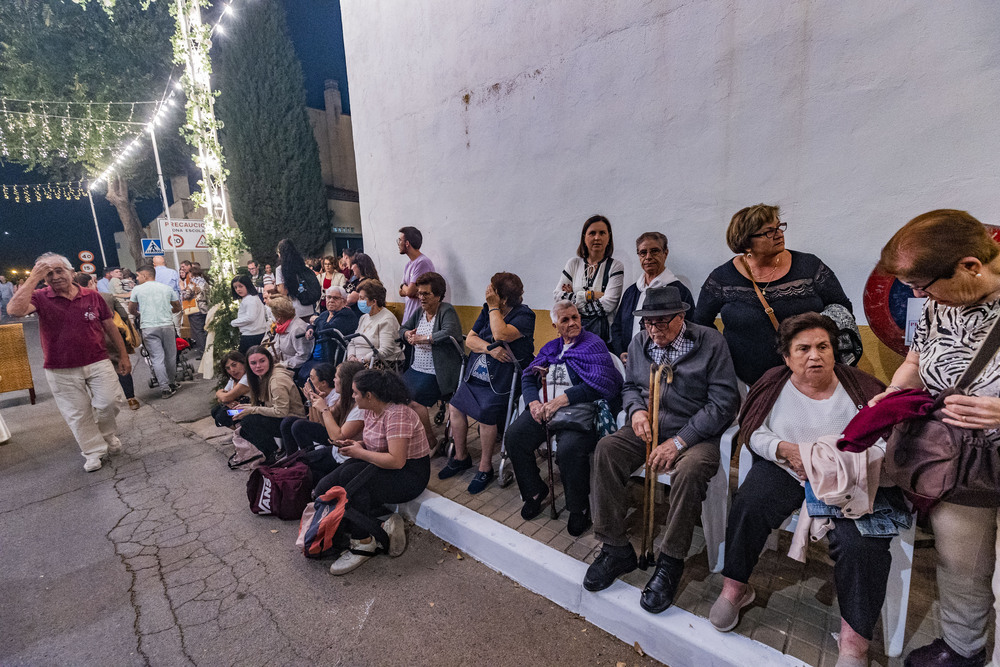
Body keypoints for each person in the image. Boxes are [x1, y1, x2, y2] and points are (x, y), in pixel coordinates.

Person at [709, 313, 894, 666]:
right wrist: (785, 450)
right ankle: (735, 589)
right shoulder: (772, 385)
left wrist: (844, 463)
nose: (815, 356)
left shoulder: (860, 387)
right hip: (788, 468)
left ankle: (854, 639)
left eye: (823, 346)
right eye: (804, 348)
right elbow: (754, 433)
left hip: (847, 478)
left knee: (861, 543)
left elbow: (886, 440)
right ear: (786, 356)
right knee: (749, 502)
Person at [875, 210, 1000, 667]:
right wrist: (892, 394)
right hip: (959, 458)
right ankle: (963, 647)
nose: (916, 294)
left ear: (970, 266)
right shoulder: (936, 304)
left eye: (923, 283)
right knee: (960, 564)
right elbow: (916, 357)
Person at [583, 285, 740, 614]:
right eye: (648, 323)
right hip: (647, 426)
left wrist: (680, 441)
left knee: (691, 470)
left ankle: (670, 561)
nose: (654, 330)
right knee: (606, 450)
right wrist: (636, 411)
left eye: (663, 322)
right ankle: (615, 547)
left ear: (681, 317)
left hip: (695, 434)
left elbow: (724, 403)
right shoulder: (640, 342)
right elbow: (629, 387)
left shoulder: (711, 342)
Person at [692, 204, 853, 386]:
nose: (779, 234)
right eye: (768, 231)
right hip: (748, 381)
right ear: (746, 241)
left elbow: (841, 307)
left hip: (809, 377)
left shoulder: (809, 266)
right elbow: (700, 322)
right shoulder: (722, 278)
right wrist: (724, 354)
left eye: (779, 227)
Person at [506, 301, 623, 535]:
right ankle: (535, 491)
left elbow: (601, 385)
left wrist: (561, 400)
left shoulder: (593, 345)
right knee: (514, 437)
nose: (572, 323)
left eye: (575, 317)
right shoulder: (550, 348)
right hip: (544, 409)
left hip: (577, 412)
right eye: (565, 320)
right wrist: (533, 403)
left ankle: (578, 508)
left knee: (569, 449)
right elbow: (529, 377)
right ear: (554, 325)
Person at [6, 253, 131, 472]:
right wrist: (33, 277)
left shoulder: (93, 296)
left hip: (98, 360)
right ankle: (93, 451)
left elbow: (110, 327)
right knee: (77, 412)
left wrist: (123, 355)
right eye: (48, 274)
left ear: (72, 273)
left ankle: (106, 435)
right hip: (59, 367)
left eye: (59, 271)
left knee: (109, 402)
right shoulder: (40, 297)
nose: (54, 277)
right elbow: (14, 310)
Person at [317, 369, 430, 575]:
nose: (352, 396)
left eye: (355, 393)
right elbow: (375, 444)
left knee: (350, 481)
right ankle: (381, 524)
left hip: (408, 476)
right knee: (323, 489)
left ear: (368, 395)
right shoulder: (370, 409)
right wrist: (357, 444)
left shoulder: (398, 415)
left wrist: (359, 453)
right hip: (383, 465)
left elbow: (396, 461)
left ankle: (364, 542)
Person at [442, 272, 536, 494]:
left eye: (492, 290)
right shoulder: (487, 310)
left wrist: (494, 308)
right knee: (455, 405)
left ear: (502, 298)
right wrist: (489, 350)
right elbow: (472, 339)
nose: (487, 292)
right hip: (479, 374)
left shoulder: (525, 315)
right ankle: (461, 456)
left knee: (486, 413)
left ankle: (485, 467)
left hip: (504, 380)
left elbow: (500, 333)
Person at [399, 272, 463, 448]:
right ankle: (410, 435)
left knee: (414, 399)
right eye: (419, 293)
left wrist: (424, 338)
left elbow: (450, 332)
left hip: (437, 372)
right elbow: (403, 328)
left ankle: (430, 440)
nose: (421, 297)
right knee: (395, 393)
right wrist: (406, 334)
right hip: (416, 368)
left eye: (426, 293)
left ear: (438, 295)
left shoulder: (446, 310)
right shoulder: (420, 312)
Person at [612, 232, 695, 358]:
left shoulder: (679, 291)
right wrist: (621, 352)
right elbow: (617, 327)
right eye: (643, 252)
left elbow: (689, 330)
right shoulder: (631, 292)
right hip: (630, 360)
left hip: (667, 363)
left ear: (665, 253)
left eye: (654, 251)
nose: (648, 257)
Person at [553, 214, 624, 346]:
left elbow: (609, 304)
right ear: (584, 237)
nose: (597, 237)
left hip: (603, 339)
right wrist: (589, 295)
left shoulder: (615, 266)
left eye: (602, 233)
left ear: (608, 237)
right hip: (573, 336)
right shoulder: (573, 264)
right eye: (592, 233)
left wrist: (573, 302)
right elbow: (557, 297)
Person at [75, 272, 141, 411]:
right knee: (120, 365)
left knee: (94, 371)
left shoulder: (71, 301)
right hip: (109, 337)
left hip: (87, 341)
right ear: (91, 283)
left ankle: (99, 402)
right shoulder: (106, 297)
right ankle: (131, 399)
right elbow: (123, 316)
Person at [232, 346, 306, 462]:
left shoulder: (277, 381)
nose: (258, 366)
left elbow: (281, 411)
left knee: (249, 422)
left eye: (262, 361)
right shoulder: (262, 376)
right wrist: (250, 407)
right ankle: (274, 453)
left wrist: (253, 409)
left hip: (292, 420)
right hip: (282, 417)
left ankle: (276, 453)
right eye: (253, 363)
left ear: (269, 360)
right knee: (243, 428)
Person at [279, 361, 366, 457]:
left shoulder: (352, 404)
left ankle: (304, 459)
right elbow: (320, 422)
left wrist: (323, 408)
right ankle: (292, 458)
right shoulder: (343, 398)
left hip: (343, 447)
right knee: (288, 422)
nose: (333, 380)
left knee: (299, 426)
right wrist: (314, 401)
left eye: (336, 377)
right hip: (334, 440)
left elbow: (337, 437)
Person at [129, 266, 182, 399]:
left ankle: (165, 389)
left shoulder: (137, 289)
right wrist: (169, 311)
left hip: (148, 327)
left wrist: (139, 313)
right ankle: (172, 383)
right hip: (167, 325)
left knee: (157, 358)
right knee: (170, 356)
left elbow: (131, 309)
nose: (137, 278)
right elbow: (177, 306)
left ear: (145, 276)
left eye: (138, 276)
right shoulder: (166, 288)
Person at [345, 279, 404, 366]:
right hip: (358, 362)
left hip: (380, 363)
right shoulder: (364, 317)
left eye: (362, 298)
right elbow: (352, 342)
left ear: (373, 302)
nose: (359, 301)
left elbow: (385, 350)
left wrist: (362, 360)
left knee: (347, 375)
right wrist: (351, 356)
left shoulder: (387, 319)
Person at [268, 295, 314, 384]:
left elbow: (303, 356)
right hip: (283, 363)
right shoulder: (282, 325)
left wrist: (283, 364)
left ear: (279, 316)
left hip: (296, 368)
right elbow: (276, 346)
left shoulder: (297, 329)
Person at [308, 286, 359, 363]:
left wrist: (316, 320)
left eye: (336, 298)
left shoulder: (347, 315)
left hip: (331, 360)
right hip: (315, 357)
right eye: (329, 297)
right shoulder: (325, 314)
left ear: (344, 302)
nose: (331, 300)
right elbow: (317, 324)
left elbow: (329, 330)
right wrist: (310, 328)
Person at [397, 226, 436, 323]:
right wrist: (405, 288)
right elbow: (400, 292)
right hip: (408, 317)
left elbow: (410, 291)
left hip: (420, 320)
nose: (398, 244)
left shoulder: (422, 263)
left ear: (407, 243)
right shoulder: (408, 265)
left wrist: (404, 286)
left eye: (400, 240)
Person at [275, 238, 320, 320]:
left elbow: (283, 291)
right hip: (308, 308)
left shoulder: (280, 269)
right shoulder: (303, 267)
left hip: (293, 310)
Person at [211, 351, 252, 428]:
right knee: (215, 411)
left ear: (243, 363)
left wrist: (218, 393)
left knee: (223, 415)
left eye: (234, 365)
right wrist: (227, 403)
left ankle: (242, 433)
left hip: (250, 408)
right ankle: (240, 432)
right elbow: (220, 399)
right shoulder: (232, 379)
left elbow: (225, 397)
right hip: (238, 408)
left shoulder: (247, 378)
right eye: (228, 368)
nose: (232, 370)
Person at [230, 275, 268, 354]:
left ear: (247, 285)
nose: (238, 289)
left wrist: (233, 322)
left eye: (241, 286)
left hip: (251, 335)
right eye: (235, 287)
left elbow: (250, 317)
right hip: (255, 334)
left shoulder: (250, 299)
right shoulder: (251, 298)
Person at [185, 265, 210, 353]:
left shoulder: (192, 283)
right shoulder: (205, 282)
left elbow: (187, 295)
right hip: (205, 308)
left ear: (191, 273)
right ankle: (209, 349)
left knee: (198, 331)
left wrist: (184, 293)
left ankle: (203, 351)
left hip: (195, 308)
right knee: (206, 329)